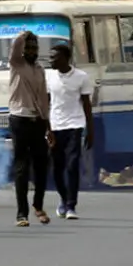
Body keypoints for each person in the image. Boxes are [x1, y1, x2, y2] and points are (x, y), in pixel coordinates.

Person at [8, 30, 52, 227]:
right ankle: (21, 213)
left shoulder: (39, 69)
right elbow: (15, 50)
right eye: (29, 48)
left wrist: (48, 125)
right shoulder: (17, 64)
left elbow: (43, 98)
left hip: (38, 120)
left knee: (42, 166)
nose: (32, 51)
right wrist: (23, 36)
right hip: (19, 119)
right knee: (21, 168)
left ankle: (38, 205)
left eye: (35, 48)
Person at [46, 43, 94, 220]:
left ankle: (71, 205)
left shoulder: (81, 77)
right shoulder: (49, 77)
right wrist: (47, 129)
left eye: (55, 58)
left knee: (72, 164)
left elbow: (87, 105)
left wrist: (91, 130)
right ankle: (63, 199)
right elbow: (46, 104)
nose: (51, 61)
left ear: (66, 59)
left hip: (75, 124)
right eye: (50, 57)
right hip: (56, 125)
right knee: (57, 168)